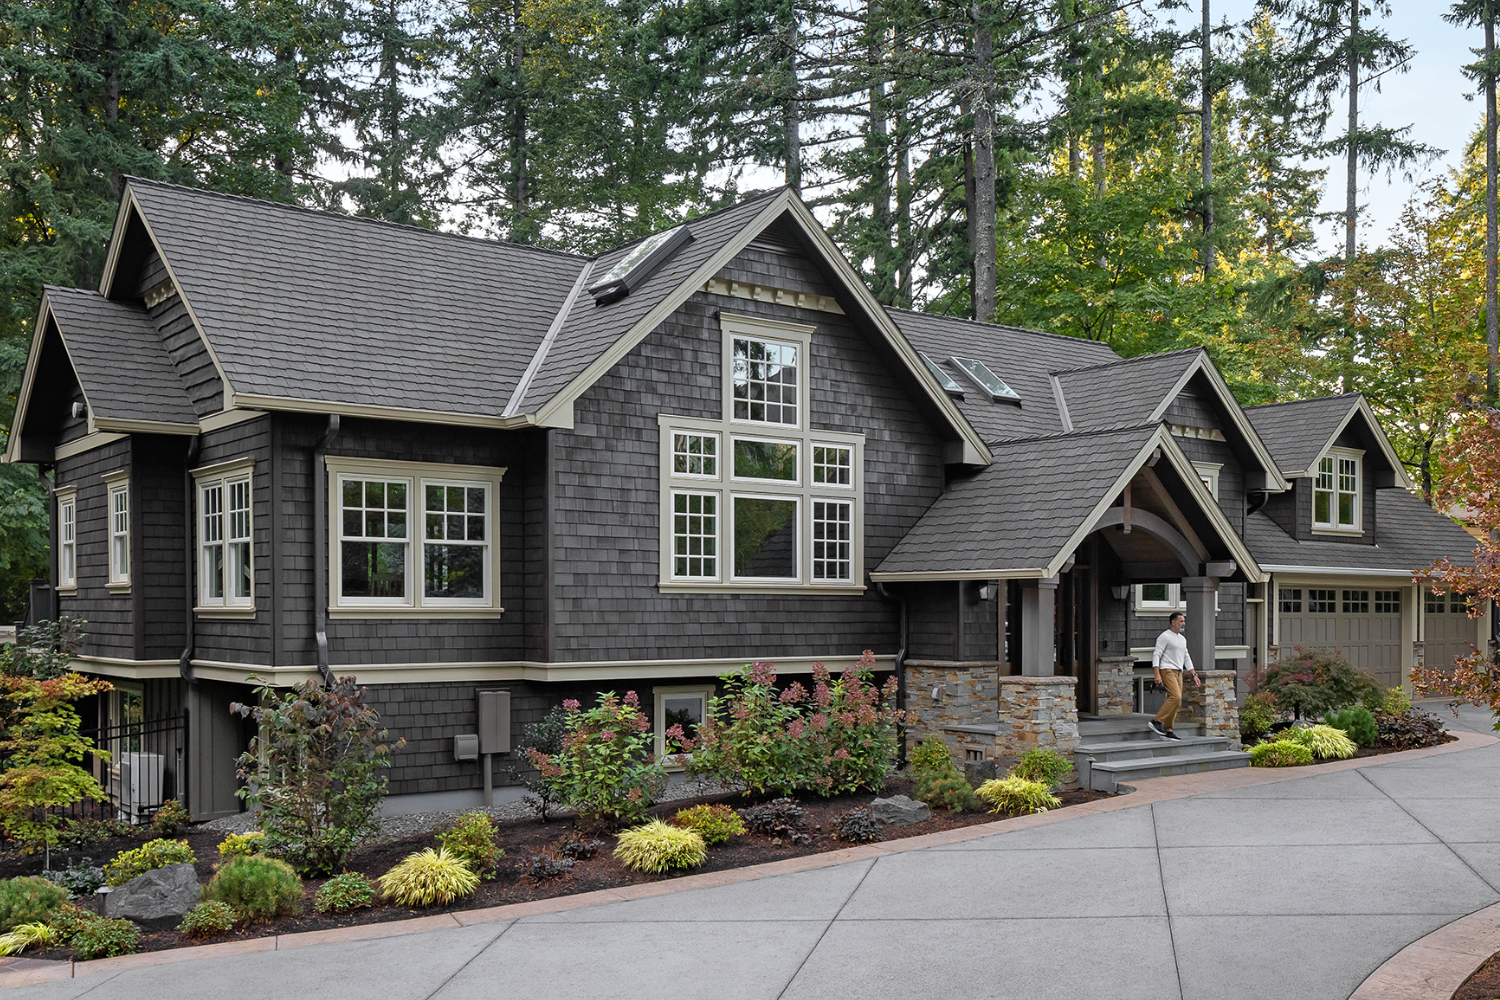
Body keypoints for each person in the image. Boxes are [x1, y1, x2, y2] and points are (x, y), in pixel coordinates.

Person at [1148, 611, 1199, 740]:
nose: (1183, 623)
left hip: (1178, 671)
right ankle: (1156, 721)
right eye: (1181, 621)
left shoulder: (1182, 639)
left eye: (1184, 621)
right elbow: (1156, 654)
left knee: (1177, 701)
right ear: (1173, 622)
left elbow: (1186, 656)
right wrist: (1157, 673)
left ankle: (1168, 729)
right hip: (1167, 669)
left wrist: (1194, 674)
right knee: (1175, 697)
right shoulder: (1165, 636)